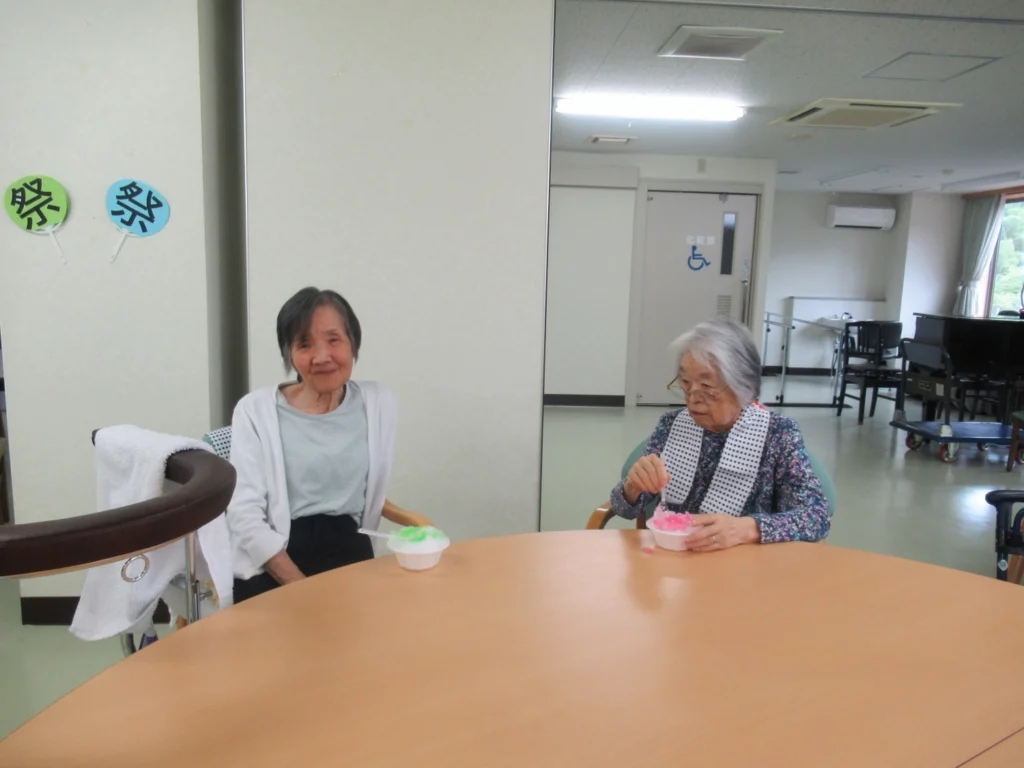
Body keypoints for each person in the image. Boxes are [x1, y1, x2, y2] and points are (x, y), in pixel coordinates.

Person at [226, 287, 428, 603]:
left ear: (353, 344)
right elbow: (243, 513)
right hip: (274, 562)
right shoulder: (254, 410)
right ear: (290, 354)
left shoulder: (378, 402)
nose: (322, 356)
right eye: (305, 344)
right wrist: (302, 588)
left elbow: (366, 489)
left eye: (334, 340)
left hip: (350, 556)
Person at [611, 316, 829, 549]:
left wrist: (749, 528)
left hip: (744, 563)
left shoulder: (778, 434)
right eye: (686, 383)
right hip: (674, 558)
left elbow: (816, 518)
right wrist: (633, 487)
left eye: (706, 386)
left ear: (744, 387)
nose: (693, 398)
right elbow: (624, 509)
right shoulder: (671, 424)